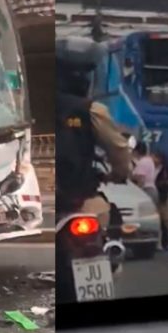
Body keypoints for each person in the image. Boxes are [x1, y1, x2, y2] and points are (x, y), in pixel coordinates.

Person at [55, 37, 130, 229]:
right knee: (105, 222)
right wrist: (118, 174)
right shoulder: (93, 109)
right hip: (79, 194)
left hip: (47, 196)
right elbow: (118, 148)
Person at [153, 151, 168, 249]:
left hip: (165, 195)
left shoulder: (165, 170)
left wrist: (161, 184)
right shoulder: (156, 169)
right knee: (161, 220)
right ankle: (162, 242)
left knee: (166, 220)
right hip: (160, 195)